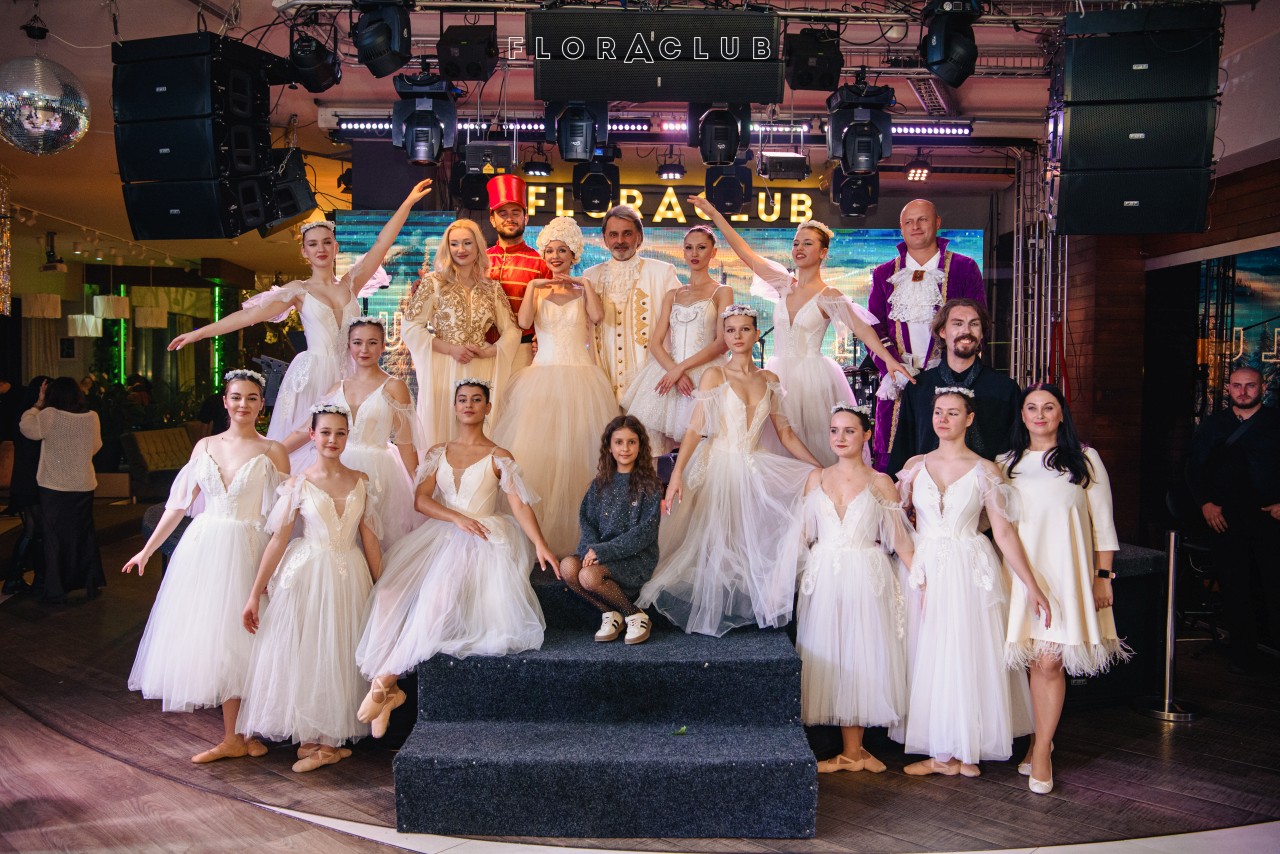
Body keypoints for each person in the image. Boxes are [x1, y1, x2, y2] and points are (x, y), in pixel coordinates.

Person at [355, 380, 557, 737]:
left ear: (487, 408)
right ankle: (388, 689)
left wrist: (540, 544)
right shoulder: (438, 452)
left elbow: (519, 505)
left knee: (438, 596)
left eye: (477, 400)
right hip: (445, 531)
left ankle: (385, 682)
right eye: (462, 399)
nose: (468, 405)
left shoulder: (499, 456)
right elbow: (421, 500)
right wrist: (456, 517)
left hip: (484, 538)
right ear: (454, 406)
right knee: (388, 593)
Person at [168, 180, 433, 443]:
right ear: (305, 252)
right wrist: (199, 333)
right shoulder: (299, 291)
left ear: (336, 247)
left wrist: (407, 203)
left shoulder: (351, 283)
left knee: (352, 442)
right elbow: (249, 316)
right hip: (313, 375)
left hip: (353, 372)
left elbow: (382, 244)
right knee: (307, 441)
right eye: (313, 244)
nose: (321, 249)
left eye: (327, 242)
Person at [124, 370, 289, 764]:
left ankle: (245, 733)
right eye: (236, 397)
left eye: (252, 398)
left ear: (261, 405)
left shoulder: (273, 451)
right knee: (220, 640)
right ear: (225, 402)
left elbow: (284, 516)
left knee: (251, 639)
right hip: (206, 549)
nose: (243, 404)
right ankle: (234, 736)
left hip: (250, 546)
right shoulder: (205, 446)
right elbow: (178, 505)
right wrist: (146, 551)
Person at [685, 196, 912, 467]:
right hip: (777, 374)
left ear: (823, 252)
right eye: (796, 243)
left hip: (813, 380)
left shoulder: (829, 295)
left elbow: (862, 329)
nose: (799, 248)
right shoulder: (784, 285)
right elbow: (746, 254)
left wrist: (888, 360)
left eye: (808, 243)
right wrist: (714, 214)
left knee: (813, 443)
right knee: (775, 444)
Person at [637, 306, 821, 637]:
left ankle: (752, 600)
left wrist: (818, 469)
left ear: (756, 334)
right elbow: (695, 428)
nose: (737, 336)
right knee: (715, 538)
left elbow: (786, 434)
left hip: (755, 463)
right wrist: (676, 474)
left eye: (745, 329)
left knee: (756, 532)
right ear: (724, 336)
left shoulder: (770, 380)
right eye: (731, 330)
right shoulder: (715, 375)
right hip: (719, 463)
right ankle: (714, 604)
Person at [895, 388, 1050, 778]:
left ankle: (966, 750)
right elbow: (898, 522)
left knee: (965, 652)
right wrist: (914, 568)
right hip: (924, 566)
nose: (943, 419)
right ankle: (942, 752)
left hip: (969, 567)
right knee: (929, 654)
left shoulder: (986, 470)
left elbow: (1004, 532)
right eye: (938, 412)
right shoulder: (914, 467)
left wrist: (1031, 584)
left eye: (953, 412)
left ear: (969, 419)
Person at [237, 404, 382, 773]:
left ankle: (330, 742)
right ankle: (312, 736)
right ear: (313, 436)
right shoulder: (297, 483)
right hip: (307, 573)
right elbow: (278, 540)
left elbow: (369, 538)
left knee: (339, 648)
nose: (333, 439)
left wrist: (381, 585)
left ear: (347, 437)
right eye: (326, 432)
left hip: (349, 572)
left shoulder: (361, 480)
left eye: (340, 433)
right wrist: (254, 592)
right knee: (310, 650)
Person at [1002, 382, 1129, 794]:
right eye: (1031, 407)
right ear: (1022, 415)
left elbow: (1103, 523)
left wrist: (1103, 575)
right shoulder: (1005, 463)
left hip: (1065, 575)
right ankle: (1040, 736)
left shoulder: (1084, 458)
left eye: (1048, 407)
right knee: (1030, 662)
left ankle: (1041, 751)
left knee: (1050, 662)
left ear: (1061, 414)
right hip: (1018, 577)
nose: (1039, 415)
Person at [786, 404, 915, 774]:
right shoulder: (816, 478)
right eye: (834, 431)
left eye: (849, 431)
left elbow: (899, 539)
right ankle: (850, 752)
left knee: (861, 652)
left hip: (864, 573)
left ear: (866, 435)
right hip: (824, 575)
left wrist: (923, 580)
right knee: (831, 653)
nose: (840, 438)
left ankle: (855, 752)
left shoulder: (880, 482)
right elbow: (803, 534)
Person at [490, 216, 619, 556]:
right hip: (542, 377)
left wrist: (584, 284)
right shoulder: (537, 290)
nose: (556, 256)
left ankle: (580, 536)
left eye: (562, 250)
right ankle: (537, 537)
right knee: (540, 456)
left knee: (579, 453)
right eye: (550, 251)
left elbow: (597, 317)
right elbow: (524, 322)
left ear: (574, 254)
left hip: (581, 378)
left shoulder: (583, 289)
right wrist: (534, 286)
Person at [283, 317, 422, 549]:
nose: (364, 349)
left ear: (383, 346)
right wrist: (271, 451)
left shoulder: (395, 387)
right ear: (348, 346)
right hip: (337, 466)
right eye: (357, 342)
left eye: (372, 342)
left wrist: (418, 484)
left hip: (380, 472)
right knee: (338, 537)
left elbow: (406, 442)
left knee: (376, 538)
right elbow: (306, 430)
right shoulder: (336, 388)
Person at [868, 199, 987, 470]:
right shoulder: (884, 273)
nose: (916, 226)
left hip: (950, 378)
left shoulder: (964, 267)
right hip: (899, 379)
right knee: (895, 458)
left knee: (948, 452)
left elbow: (976, 323)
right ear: (901, 228)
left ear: (937, 222)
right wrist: (891, 365)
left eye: (922, 219)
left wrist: (954, 368)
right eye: (908, 222)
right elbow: (874, 327)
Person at [1186, 365, 1280, 673]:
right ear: (1228, 389)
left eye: (1250, 385)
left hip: (1270, 519)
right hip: (1224, 520)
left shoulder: (1275, 422)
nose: (1243, 391)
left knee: (1274, 586)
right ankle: (1243, 656)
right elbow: (1194, 469)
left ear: (1262, 388)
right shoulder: (1214, 425)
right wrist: (1205, 504)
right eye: (1237, 386)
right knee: (1235, 588)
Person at [401, 218, 521, 448]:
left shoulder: (492, 288)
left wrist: (488, 352)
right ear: (447, 248)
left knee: (480, 432)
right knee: (443, 433)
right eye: (454, 244)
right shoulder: (433, 282)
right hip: (444, 368)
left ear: (478, 247)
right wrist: (451, 349)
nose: (461, 249)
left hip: (481, 368)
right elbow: (410, 327)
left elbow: (512, 331)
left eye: (467, 243)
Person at [619, 225, 733, 453]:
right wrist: (674, 372)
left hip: (706, 374)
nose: (694, 253)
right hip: (670, 372)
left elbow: (722, 342)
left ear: (713, 252)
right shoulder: (673, 295)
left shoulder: (722, 291)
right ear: (683, 252)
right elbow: (655, 343)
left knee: (704, 445)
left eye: (701, 247)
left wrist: (680, 369)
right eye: (689, 248)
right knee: (657, 445)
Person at [558, 415, 663, 646]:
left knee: (588, 576)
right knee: (568, 567)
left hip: (633, 557)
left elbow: (644, 533)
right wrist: (591, 550)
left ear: (641, 446)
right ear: (609, 446)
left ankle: (635, 614)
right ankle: (610, 612)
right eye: (619, 442)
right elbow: (587, 523)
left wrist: (603, 552)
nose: (625, 448)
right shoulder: (599, 484)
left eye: (631, 442)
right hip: (601, 554)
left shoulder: (650, 485)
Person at [886, 298, 1020, 477]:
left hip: (986, 487)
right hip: (928, 487)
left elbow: (1014, 449)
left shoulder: (1004, 389)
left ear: (981, 333)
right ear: (942, 331)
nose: (966, 331)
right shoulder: (919, 388)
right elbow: (904, 446)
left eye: (974, 324)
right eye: (958, 324)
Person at [582, 205, 682, 400]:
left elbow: (682, 325)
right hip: (603, 381)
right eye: (613, 235)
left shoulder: (663, 273)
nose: (620, 241)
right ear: (605, 239)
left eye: (627, 233)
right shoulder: (590, 276)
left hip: (651, 385)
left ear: (639, 237)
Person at [19, 377, 104, 604]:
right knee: (84, 536)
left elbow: (27, 428)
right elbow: (96, 446)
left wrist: (37, 405)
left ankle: (56, 590)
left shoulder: (49, 415)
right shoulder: (92, 417)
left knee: (54, 539)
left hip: (54, 488)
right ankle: (90, 583)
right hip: (83, 485)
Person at [486, 173, 553, 370]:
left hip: (523, 352)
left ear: (526, 218)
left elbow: (550, 311)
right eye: (502, 213)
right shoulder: (478, 260)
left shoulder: (541, 263)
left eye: (515, 213)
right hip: (482, 350)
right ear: (492, 220)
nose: (510, 219)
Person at [3, 376, 49, 595]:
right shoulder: (31, 416)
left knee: (33, 530)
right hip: (30, 481)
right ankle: (15, 577)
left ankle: (22, 577)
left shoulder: (27, 414)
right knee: (33, 530)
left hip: (25, 480)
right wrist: (39, 403)